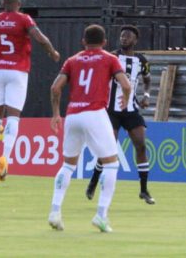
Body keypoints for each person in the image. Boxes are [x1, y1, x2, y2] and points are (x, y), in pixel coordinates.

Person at [48, 24, 132, 233]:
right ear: (104, 42)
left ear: (83, 42)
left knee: (67, 165)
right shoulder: (109, 58)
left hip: (73, 114)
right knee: (111, 164)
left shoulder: (72, 60)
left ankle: (55, 211)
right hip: (95, 113)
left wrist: (56, 113)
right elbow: (126, 84)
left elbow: (55, 87)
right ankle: (101, 215)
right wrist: (125, 100)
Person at [0, 0, 60, 183]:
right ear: (18, 3)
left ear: (3, 3)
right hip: (18, 72)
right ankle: (6, 158)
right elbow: (41, 39)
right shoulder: (24, 19)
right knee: (13, 117)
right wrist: (52, 52)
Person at [85, 25, 156, 205]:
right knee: (108, 149)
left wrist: (146, 95)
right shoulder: (111, 57)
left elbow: (147, 79)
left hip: (131, 110)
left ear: (135, 40)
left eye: (128, 36)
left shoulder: (141, 60)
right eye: (122, 36)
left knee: (141, 145)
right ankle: (94, 181)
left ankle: (144, 190)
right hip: (111, 111)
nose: (124, 38)